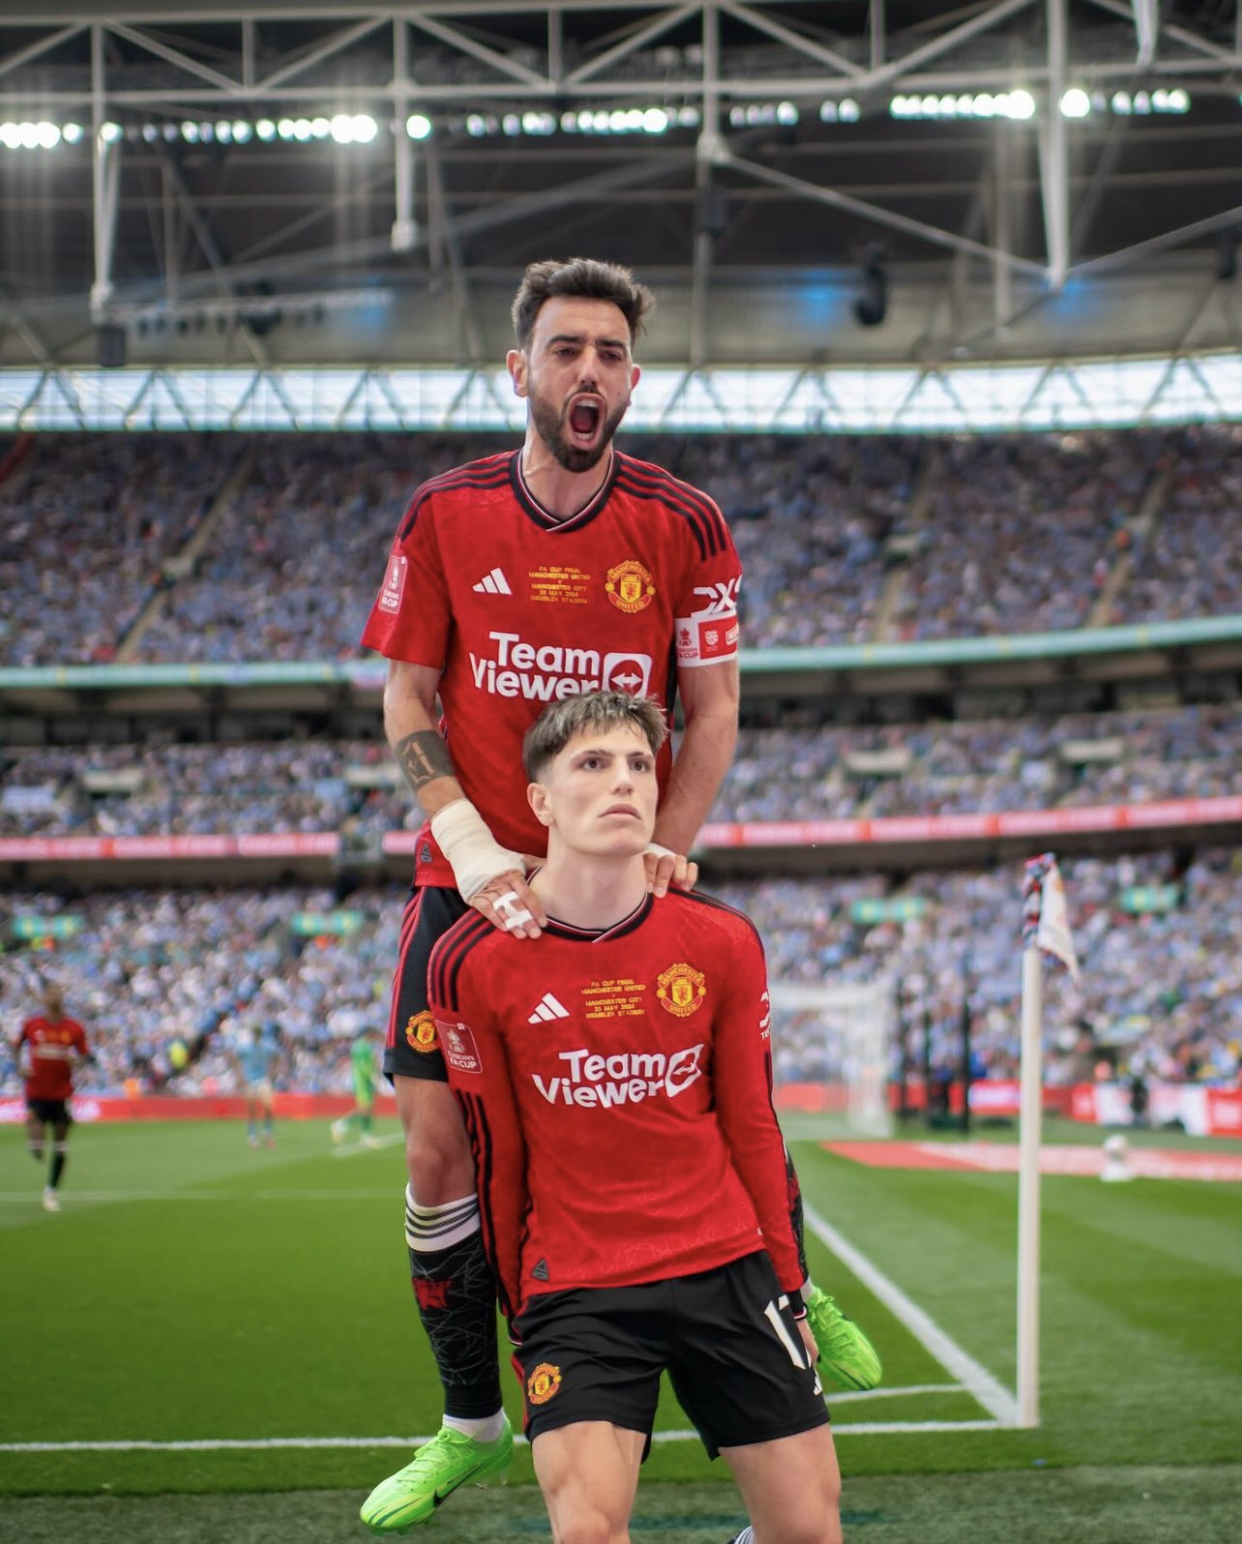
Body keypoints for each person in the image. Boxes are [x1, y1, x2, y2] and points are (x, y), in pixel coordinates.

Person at [358, 257, 878, 1534]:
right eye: (564, 349)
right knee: (439, 1154)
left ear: (632, 378)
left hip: (617, 859)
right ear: (520, 369)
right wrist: (471, 843)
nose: (587, 370)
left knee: (709, 1087)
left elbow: (714, 711)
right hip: (472, 876)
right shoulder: (444, 512)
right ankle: (471, 1420)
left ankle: (787, 1292)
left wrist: (665, 850)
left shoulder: (689, 523)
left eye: (608, 353)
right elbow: (407, 696)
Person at [435, 691, 842, 1544]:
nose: (623, 782)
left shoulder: (722, 940)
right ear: (540, 800)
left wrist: (789, 1280)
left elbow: (754, 1128)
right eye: (592, 764)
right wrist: (522, 1310)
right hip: (578, 1289)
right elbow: (493, 1156)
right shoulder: (472, 963)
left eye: (637, 765)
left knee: (807, 1534)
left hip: (727, 1265)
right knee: (586, 1532)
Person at [14, 982, 92, 1213]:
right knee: (38, 1143)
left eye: (59, 991)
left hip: (62, 1092)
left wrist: (76, 1061)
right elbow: (16, 1045)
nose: (55, 995)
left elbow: (85, 1056)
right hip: (37, 1090)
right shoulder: (33, 1024)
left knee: (60, 1144)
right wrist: (20, 1066)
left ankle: (51, 1191)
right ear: (44, 996)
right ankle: (34, 1140)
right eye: (51, 991)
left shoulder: (74, 1028)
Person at [230, 1021, 280, 1149]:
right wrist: (239, 1075)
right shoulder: (245, 1047)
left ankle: (267, 1133)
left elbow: (277, 1057)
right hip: (249, 1080)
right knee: (251, 1110)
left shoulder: (267, 1046)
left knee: (268, 1107)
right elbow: (234, 1057)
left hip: (263, 1079)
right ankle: (252, 1136)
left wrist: (274, 1072)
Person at [333, 1027, 384, 1148]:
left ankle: (366, 1135)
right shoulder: (362, 1047)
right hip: (362, 1082)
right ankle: (341, 1125)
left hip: (365, 1081)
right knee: (364, 1108)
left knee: (368, 1108)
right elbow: (363, 1066)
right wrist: (373, 1077)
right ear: (370, 1034)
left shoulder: (365, 1045)